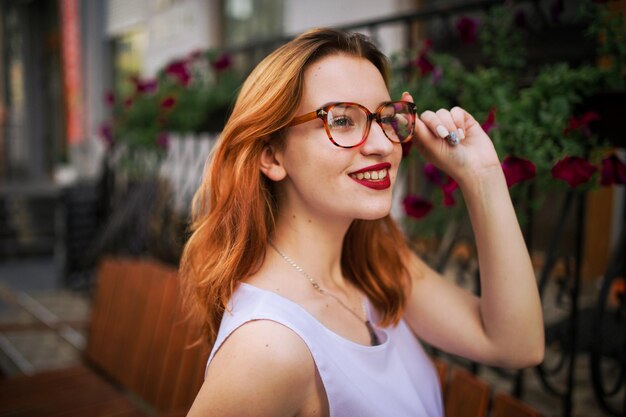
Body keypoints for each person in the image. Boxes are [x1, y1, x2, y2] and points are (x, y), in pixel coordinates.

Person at [181, 28, 544, 417]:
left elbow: (515, 345)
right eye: (341, 121)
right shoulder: (268, 346)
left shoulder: (376, 269)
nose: (384, 145)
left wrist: (483, 175)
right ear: (272, 157)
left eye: (385, 117)